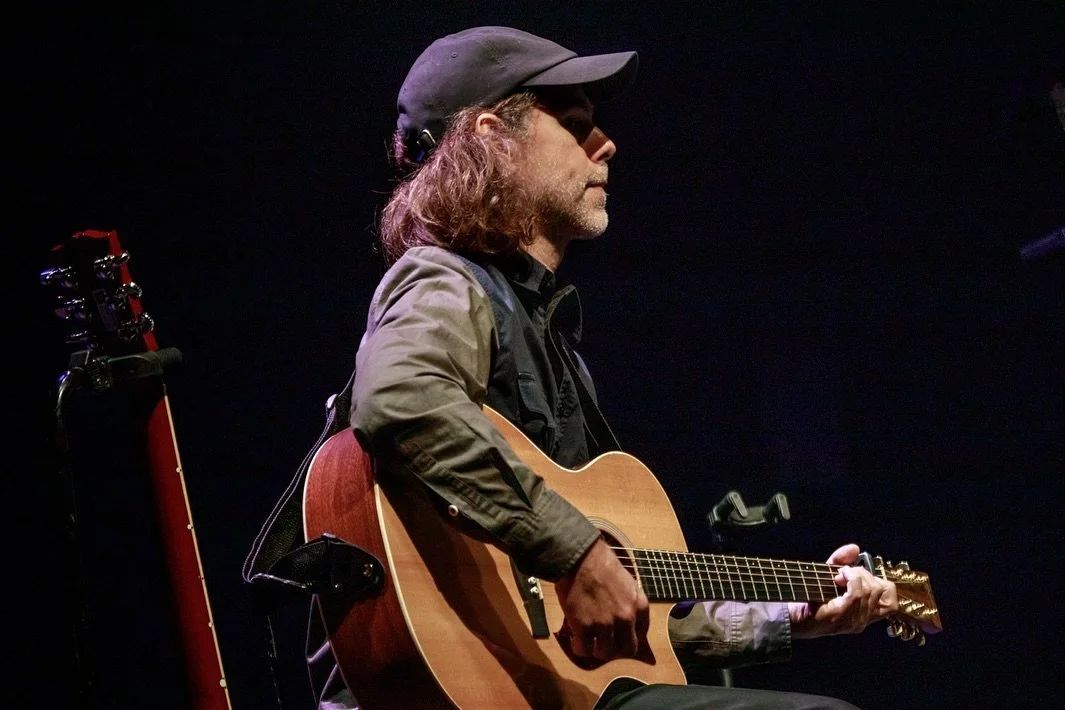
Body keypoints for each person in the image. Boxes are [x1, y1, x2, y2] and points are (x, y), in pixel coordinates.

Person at [308, 25, 898, 710]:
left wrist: (790, 616)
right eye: (577, 125)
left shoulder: (551, 340)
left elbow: (635, 612)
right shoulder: (445, 280)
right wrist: (574, 550)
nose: (606, 144)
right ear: (493, 136)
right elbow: (402, 399)